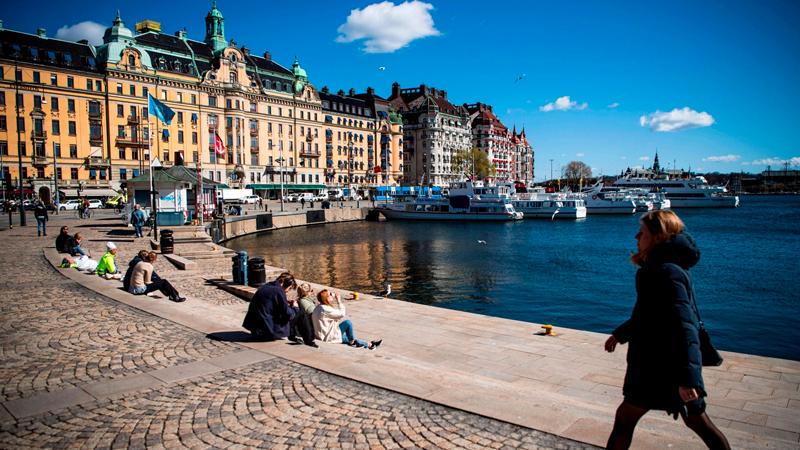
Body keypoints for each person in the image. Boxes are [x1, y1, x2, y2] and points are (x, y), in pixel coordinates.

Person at [604, 210, 730, 450]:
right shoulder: (659, 269)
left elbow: (685, 328)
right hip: (658, 365)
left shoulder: (665, 273)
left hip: (662, 368)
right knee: (697, 423)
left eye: (642, 232)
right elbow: (650, 315)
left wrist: (688, 380)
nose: (636, 236)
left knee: (627, 420)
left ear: (657, 237)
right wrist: (620, 334)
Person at [312, 289, 381, 350]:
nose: (332, 295)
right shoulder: (325, 309)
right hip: (328, 336)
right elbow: (342, 314)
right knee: (348, 323)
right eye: (330, 294)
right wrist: (339, 301)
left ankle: (369, 344)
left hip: (324, 333)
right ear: (326, 298)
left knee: (349, 337)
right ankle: (358, 343)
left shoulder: (319, 307)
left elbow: (335, 314)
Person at [242, 272, 297, 340]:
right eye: (289, 288)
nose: (288, 291)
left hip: (255, 327)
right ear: (284, 284)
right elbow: (287, 313)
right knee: (297, 312)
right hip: (267, 329)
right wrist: (295, 307)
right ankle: (296, 338)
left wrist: (285, 302)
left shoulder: (266, 286)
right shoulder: (279, 291)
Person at [289, 283, 318, 347]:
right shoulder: (304, 301)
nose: (313, 292)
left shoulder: (305, 300)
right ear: (308, 293)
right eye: (311, 291)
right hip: (311, 327)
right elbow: (313, 313)